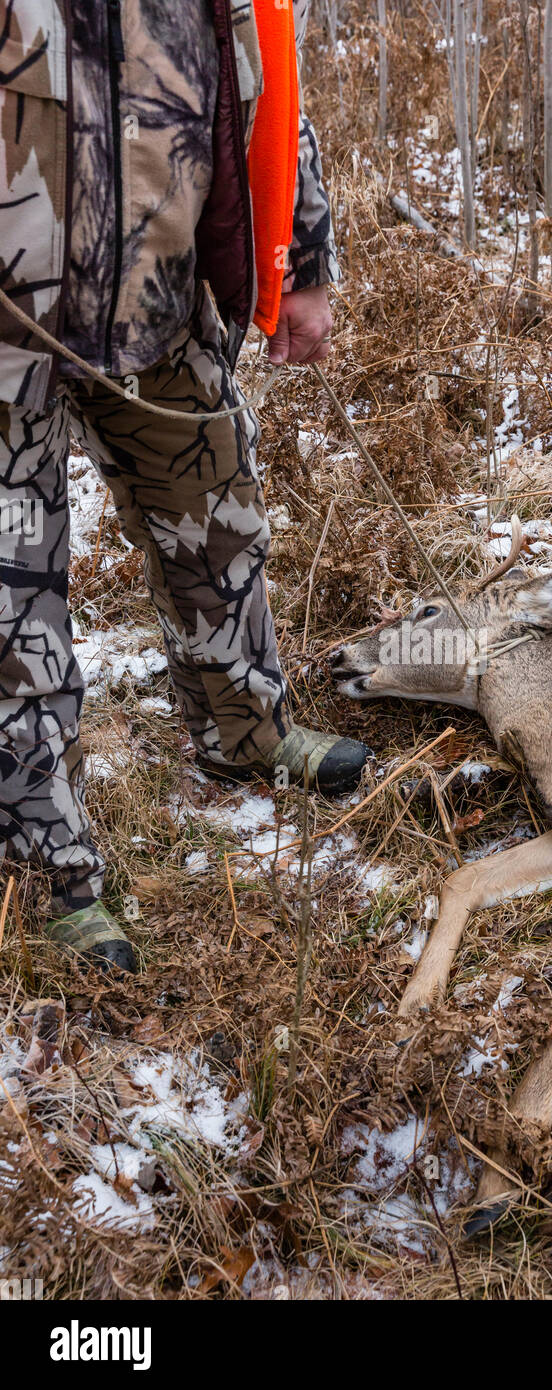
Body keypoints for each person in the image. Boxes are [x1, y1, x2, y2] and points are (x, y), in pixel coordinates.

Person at [0, 0, 372, 974]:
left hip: (159, 308)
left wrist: (302, 259)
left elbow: (265, 84)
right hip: (7, 339)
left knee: (219, 519)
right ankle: (50, 868)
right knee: (12, 613)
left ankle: (243, 729)